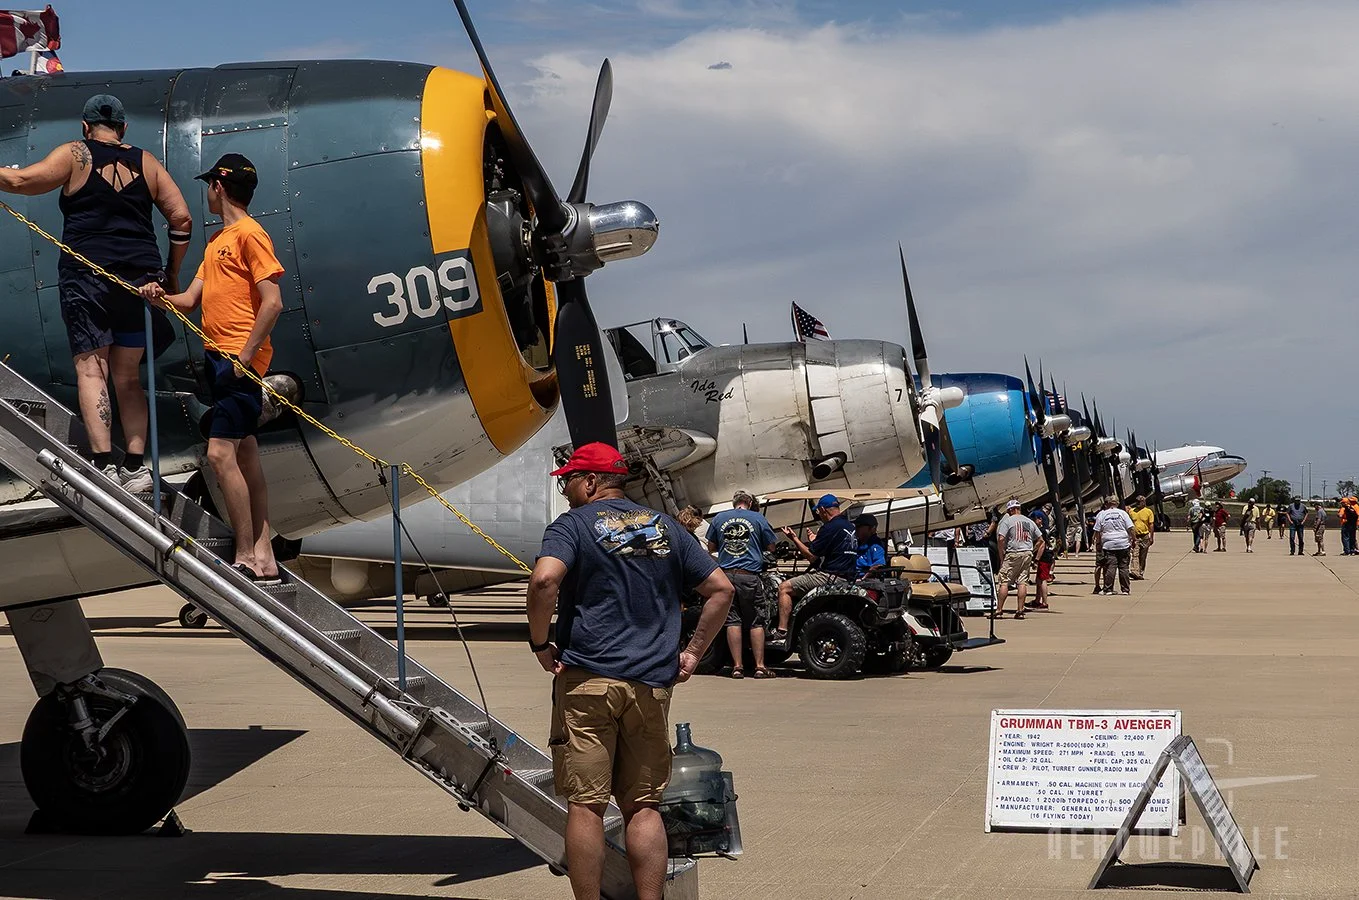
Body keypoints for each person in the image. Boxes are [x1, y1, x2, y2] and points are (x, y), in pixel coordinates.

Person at [527, 442, 733, 900]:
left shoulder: (573, 525)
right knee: (643, 807)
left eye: (568, 482)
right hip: (651, 686)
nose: (565, 492)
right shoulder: (667, 527)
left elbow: (544, 580)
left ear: (591, 481)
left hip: (589, 682)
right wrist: (693, 652)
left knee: (586, 806)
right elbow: (720, 588)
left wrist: (541, 644)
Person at [1, 94, 192, 491]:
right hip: (140, 282)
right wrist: (171, 274)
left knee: (91, 369)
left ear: (85, 127)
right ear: (123, 128)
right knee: (127, 377)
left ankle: (103, 463)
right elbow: (181, 218)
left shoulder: (75, 153)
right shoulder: (146, 162)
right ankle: (136, 468)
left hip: (87, 276)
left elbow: (21, 181)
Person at [140, 154, 282, 583]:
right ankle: (264, 556)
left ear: (219, 187)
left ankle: (246, 557)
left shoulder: (250, 235)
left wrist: (245, 356)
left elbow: (272, 301)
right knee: (246, 454)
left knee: (221, 454)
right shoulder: (218, 242)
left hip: (237, 362)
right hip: (220, 359)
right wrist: (157, 295)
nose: (206, 192)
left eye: (208, 185)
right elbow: (190, 301)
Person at [768, 494, 857, 647]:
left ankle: (781, 631)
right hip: (846, 576)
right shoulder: (849, 526)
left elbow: (812, 556)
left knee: (784, 587)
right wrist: (815, 541)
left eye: (819, 512)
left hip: (829, 576)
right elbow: (832, 550)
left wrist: (794, 538)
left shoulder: (829, 527)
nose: (819, 515)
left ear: (823, 509)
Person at [708, 491, 777, 679]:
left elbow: (711, 547)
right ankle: (760, 666)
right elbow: (771, 547)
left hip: (726, 576)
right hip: (749, 576)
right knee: (756, 620)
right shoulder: (758, 518)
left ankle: (737, 667)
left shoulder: (719, 518)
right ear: (749, 502)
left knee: (732, 620)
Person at [992, 499, 1044, 619]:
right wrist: (1032, 550)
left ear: (1011, 510)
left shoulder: (1008, 521)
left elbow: (1000, 539)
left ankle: (999, 610)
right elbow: (1041, 540)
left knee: (1004, 581)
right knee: (1022, 582)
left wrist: (1001, 555)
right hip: (1026, 553)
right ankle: (1020, 610)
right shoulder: (1029, 521)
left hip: (1013, 553)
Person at [1092, 497, 1135, 595]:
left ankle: (1108, 589)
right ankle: (1125, 590)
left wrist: (1098, 543)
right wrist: (1133, 539)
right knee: (1123, 567)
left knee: (1111, 567)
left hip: (1109, 544)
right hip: (1123, 543)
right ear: (1117, 503)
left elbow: (1097, 531)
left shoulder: (1103, 514)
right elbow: (1131, 528)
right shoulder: (1123, 513)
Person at [1129, 495, 1156, 578]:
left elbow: (1151, 525)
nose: (1137, 503)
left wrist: (1151, 537)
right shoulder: (1132, 511)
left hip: (1144, 536)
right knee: (1135, 554)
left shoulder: (1148, 512)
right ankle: (1134, 571)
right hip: (1135, 536)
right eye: (1136, 501)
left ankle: (1140, 572)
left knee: (1143, 556)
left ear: (1144, 502)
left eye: (1139, 502)